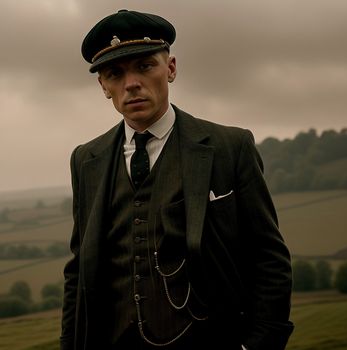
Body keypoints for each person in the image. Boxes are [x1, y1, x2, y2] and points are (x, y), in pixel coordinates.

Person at [60, 9, 294, 350]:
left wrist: (257, 344)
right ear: (103, 86)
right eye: (115, 74)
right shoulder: (86, 160)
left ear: (170, 69)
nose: (131, 84)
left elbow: (269, 258)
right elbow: (78, 271)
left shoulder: (229, 147)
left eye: (144, 66)